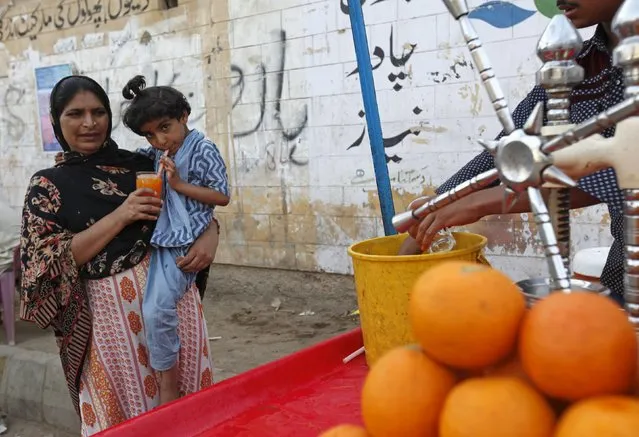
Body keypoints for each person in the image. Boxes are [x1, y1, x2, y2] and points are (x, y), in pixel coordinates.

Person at [20, 75, 217, 436]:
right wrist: (122, 214)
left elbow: (193, 205)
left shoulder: (141, 165)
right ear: (56, 121)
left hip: (175, 312)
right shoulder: (48, 186)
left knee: (188, 417)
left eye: (98, 112)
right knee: (123, 420)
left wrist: (211, 234)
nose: (89, 123)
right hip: (109, 331)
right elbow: (43, 266)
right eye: (75, 113)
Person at [402, 0, 627, 303]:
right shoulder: (581, 63)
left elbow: (618, 176)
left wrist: (482, 201)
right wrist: (440, 203)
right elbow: (511, 146)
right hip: (625, 266)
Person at [120, 75, 230, 404]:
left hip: (185, 239)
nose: (158, 139)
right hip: (164, 236)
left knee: (156, 309)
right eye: (150, 134)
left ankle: (167, 380)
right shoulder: (161, 152)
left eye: (165, 127)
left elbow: (221, 196)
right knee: (150, 306)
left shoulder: (203, 149)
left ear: (184, 116)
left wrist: (179, 184)